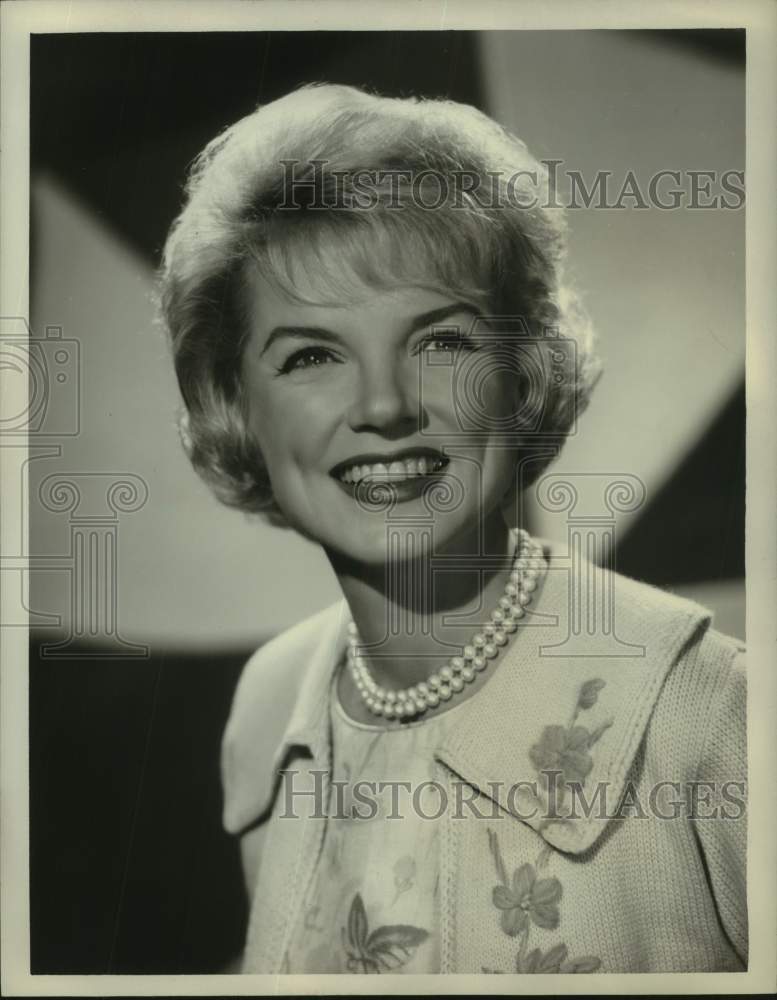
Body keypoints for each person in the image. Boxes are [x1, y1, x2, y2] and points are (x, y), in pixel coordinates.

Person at [158, 83, 747, 975]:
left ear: (523, 370)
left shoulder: (713, 714)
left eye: (442, 342)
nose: (384, 406)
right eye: (312, 355)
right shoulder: (270, 709)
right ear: (237, 407)